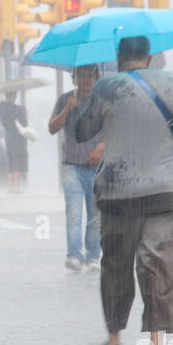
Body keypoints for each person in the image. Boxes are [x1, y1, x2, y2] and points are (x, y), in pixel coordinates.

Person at [74, 36, 173, 345]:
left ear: (118, 59)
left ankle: (115, 344)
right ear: (149, 59)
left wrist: (86, 101)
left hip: (118, 195)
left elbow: (82, 131)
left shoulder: (107, 87)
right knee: (159, 268)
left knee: (116, 268)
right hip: (163, 194)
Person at [48, 64, 105, 272]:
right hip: (71, 166)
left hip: (97, 167)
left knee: (96, 215)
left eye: (90, 75)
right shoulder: (65, 99)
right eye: (81, 75)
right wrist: (67, 109)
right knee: (73, 211)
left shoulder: (102, 100)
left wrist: (101, 147)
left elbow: (113, 128)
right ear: (74, 78)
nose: (86, 80)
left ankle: (93, 256)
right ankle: (73, 255)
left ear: (96, 77)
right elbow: (52, 128)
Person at [0, 91, 30, 194]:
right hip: (18, 138)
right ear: (14, 96)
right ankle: (16, 188)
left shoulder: (0, 107)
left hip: (8, 137)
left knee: (11, 162)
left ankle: (10, 187)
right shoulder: (17, 109)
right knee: (18, 162)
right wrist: (24, 112)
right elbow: (24, 123)